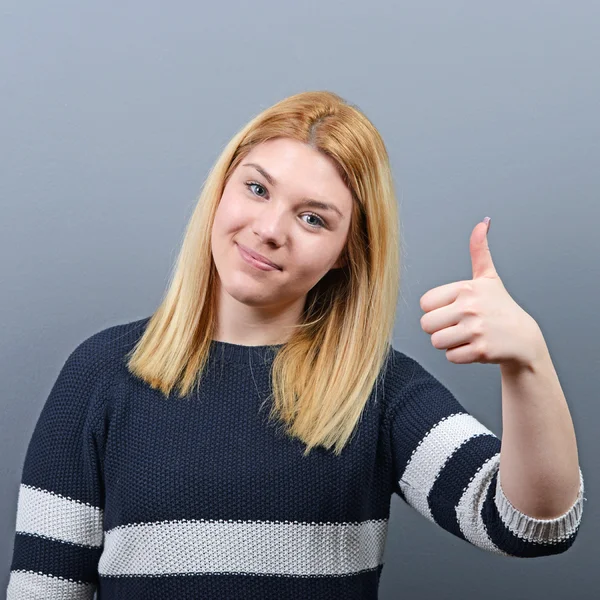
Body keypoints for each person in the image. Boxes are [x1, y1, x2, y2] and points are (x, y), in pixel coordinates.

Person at [7, 91, 585, 599]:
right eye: (257, 189)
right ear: (221, 189)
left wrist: (528, 362)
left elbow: (530, 526)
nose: (269, 229)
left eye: (313, 218)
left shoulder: (376, 390)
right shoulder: (104, 372)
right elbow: (43, 589)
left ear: (347, 253)